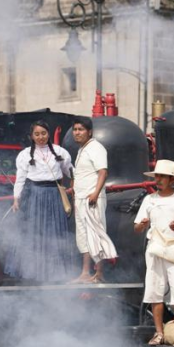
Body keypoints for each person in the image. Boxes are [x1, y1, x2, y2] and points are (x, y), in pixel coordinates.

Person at [133, 160, 174, 346]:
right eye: (157, 176)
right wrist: (142, 224)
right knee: (155, 291)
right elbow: (137, 227)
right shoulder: (150, 199)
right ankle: (159, 332)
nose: (158, 180)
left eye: (162, 176)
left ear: (171, 179)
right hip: (155, 248)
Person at [4, 120, 75, 282]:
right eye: (37, 134)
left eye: (43, 133)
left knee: (55, 233)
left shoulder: (60, 152)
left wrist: (83, 181)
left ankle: (56, 272)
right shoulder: (24, 155)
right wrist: (16, 199)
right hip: (34, 196)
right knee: (33, 233)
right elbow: (20, 179)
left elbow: (71, 171)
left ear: (48, 134)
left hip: (54, 195)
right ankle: (33, 272)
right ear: (32, 136)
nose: (41, 137)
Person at [70, 117, 117, 283]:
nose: (77, 133)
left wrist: (96, 193)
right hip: (81, 198)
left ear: (89, 132)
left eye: (80, 130)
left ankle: (99, 273)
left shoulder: (96, 147)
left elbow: (103, 172)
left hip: (92, 198)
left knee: (96, 234)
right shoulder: (82, 149)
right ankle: (84, 273)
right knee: (83, 235)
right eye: (75, 130)